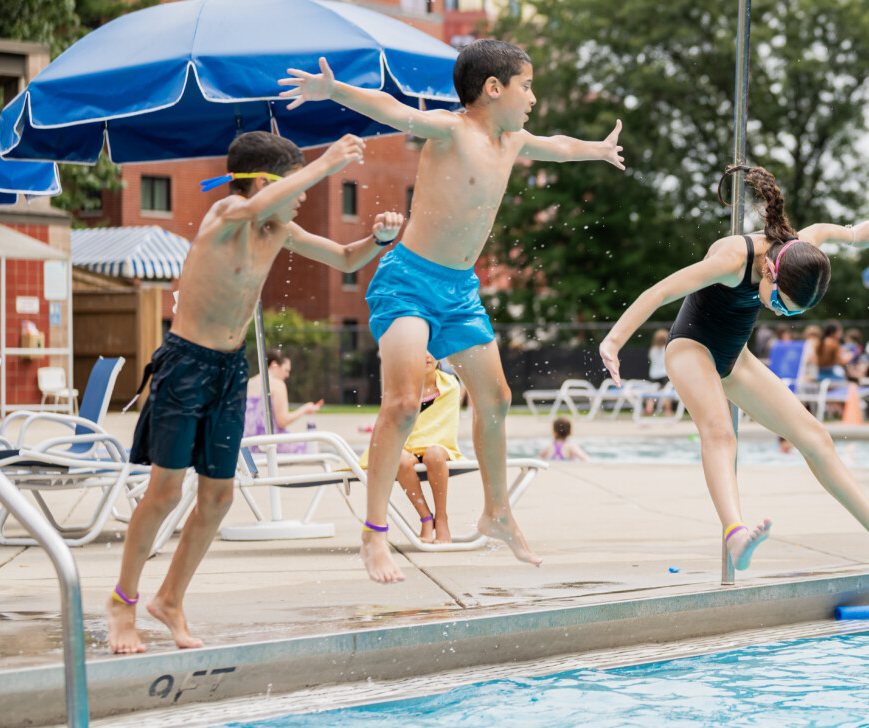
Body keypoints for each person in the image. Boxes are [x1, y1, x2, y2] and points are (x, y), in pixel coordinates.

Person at [279, 39, 625, 581]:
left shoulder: (513, 141)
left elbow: (556, 146)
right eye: (527, 86)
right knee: (400, 404)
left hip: (460, 292)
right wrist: (332, 90)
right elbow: (390, 109)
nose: (533, 97)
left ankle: (496, 514)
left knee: (497, 398)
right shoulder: (451, 129)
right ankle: (374, 536)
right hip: (408, 284)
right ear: (494, 88)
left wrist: (597, 150)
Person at [108, 131, 403, 654]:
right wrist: (328, 162)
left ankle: (170, 599)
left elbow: (345, 259)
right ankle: (122, 604)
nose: (305, 196)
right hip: (185, 365)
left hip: (227, 370)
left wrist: (380, 240)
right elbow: (255, 203)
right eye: (298, 184)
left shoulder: (277, 228)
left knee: (219, 497)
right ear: (267, 183)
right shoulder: (226, 212)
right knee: (164, 494)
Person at [599, 165, 869, 570]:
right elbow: (660, 292)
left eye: (789, 313)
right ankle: (736, 535)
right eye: (778, 303)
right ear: (768, 271)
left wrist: (854, 235)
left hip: (736, 357)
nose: (777, 311)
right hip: (691, 348)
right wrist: (614, 340)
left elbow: (821, 231)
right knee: (721, 433)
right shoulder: (731, 258)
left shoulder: (796, 249)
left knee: (815, 436)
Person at [358, 353, 463, 544]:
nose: (426, 355)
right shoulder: (402, 387)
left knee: (434, 454)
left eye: (431, 349)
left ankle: (441, 520)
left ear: (440, 356)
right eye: (419, 349)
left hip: (438, 444)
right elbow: (395, 424)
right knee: (400, 459)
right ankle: (426, 518)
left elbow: (446, 426)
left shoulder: (450, 385)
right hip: (408, 445)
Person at [243, 349, 323, 454]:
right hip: (269, 443)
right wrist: (304, 409)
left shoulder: (251, 382)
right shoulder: (277, 384)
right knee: (314, 448)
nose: (287, 375)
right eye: (286, 370)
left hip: (249, 443)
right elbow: (282, 421)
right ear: (274, 365)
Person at [644, 328, 672, 415]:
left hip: (654, 374)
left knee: (652, 393)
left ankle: (649, 408)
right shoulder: (668, 348)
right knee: (666, 393)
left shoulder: (653, 350)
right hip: (664, 374)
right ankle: (667, 410)